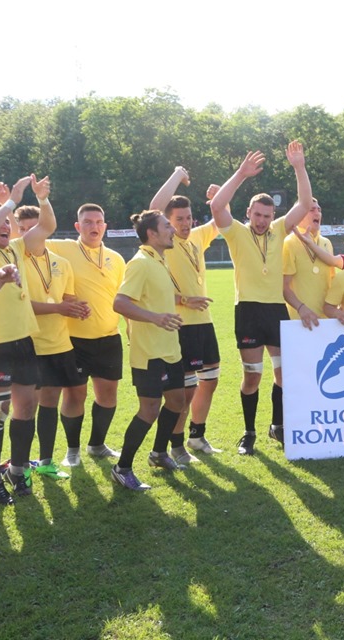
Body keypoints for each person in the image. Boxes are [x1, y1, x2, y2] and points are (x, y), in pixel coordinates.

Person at [209, 143, 311, 454]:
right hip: (249, 311)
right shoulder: (236, 232)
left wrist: (299, 167)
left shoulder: (280, 230)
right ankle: (249, 432)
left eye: (267, 215)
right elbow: (216, 207)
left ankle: (277, 426)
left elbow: (305, 203)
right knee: (252, 377)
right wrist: (241, 173)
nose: (263, 220)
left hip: (275, 311)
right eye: (257, 214)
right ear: (248, 213)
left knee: (283, 375)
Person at [150, 167, 223, 462]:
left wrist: (220, 198)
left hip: (204, 322)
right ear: (166, 222)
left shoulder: (197, 237)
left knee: (212, 378)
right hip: (182, 324)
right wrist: (177, 176)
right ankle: (176, 446)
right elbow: (154, 206)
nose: (184, 223)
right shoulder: (165, 242)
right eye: (178, 219)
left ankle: (196, 435)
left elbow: (220, 218)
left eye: (188, 217)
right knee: (185, 391)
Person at [0, 176, 54, 504]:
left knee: (26, 407)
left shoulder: (15, 248)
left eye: (9, 223)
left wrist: (41, 199)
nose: (7, 226)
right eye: (0, 221)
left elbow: (47, 227)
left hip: (23, 341)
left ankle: (17, 470)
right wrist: (10, 200)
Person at [13, 204, 90, 479]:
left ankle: (45, 461)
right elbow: (19, 306)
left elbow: (66, 298)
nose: (27, 236)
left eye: (33, 229)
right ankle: (18, 465)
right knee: (25, 408)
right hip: (28, 343)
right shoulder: (14, 262)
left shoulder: (62, 263)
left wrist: (77, 307)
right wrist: (59, 308)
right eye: (22, 230)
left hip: (58, 343)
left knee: (49, 404)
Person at [111, 211, 186, 490]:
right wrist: (155, 318)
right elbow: (119, 303)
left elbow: (157, 297)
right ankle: (122, 468)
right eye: (167, 226)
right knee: (149, 409)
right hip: (149, 353)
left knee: (177, 402)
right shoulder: (140, 262)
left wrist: (186, 300)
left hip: (170, 349)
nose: (173, 229)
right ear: (152, 234)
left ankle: (158, 453)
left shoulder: (159, 259)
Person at [47, 203, 127, 465]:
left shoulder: (116, 258)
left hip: (108, 338)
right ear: (78, 227)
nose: (94, 226)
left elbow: (123, 297)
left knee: (107, 395)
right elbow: (28, 239)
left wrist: (130, 326)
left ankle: (97, 445)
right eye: (88, 222)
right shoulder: (63, 248)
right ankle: (73, 450)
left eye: (99, 222)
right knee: (75, 395)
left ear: (105, 225)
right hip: (74, 341)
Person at [284, 197, 332, 329]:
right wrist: (301, 308)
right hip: (300, 320)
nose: (317, 213)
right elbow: (284, 286)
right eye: (312, 210)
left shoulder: (326, 243)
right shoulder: (289, 243)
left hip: (327, 320)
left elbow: (333, 281)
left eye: (319, 209)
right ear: (299, 214)